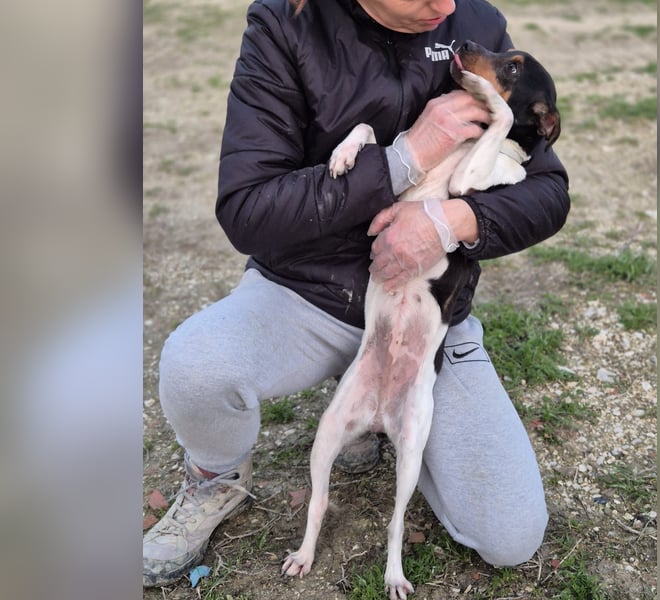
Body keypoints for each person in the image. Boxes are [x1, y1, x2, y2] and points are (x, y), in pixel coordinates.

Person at [143, 0, 570, 588]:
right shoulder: (285, 25)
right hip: (303, 294)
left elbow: (547, 189)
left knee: (510, 537)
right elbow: (246, 209)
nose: (444, 6)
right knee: (195, 366)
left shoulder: (475, 25)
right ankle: (216, 479)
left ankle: (387, 425)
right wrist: (403, 159)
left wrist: (452, 224)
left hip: (426, 318)